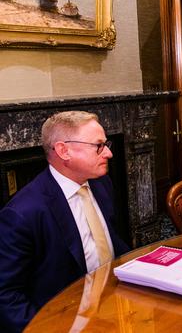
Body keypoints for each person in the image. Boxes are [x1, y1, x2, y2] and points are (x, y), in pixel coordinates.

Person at [0, 111, 130, 332]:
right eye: (98, 145)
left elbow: (110, 242)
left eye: (106, 144)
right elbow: (6, 295)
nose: (108, 153)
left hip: (112, 303)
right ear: (64, 151)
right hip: (63, 319)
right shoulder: (23, 213)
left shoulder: (101, 184)